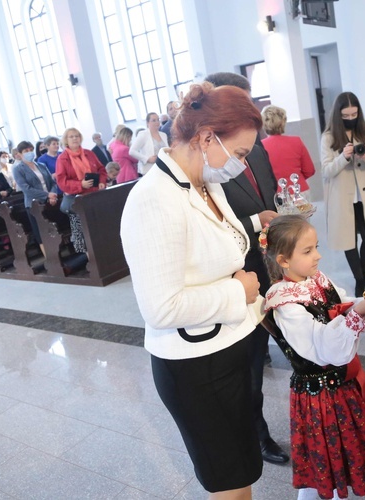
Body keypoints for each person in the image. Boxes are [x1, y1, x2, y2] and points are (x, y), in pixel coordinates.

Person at [120, 82, 265, 499]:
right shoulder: (153, 199)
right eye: (238, 153)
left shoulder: (205, 182)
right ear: (206, 138)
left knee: (242, 473)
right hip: (196, 368)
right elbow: (161, 307)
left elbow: (214, 240)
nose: (240, 164)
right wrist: (239, 292)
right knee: (229, 483)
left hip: (229, 349)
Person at [261, 215, 365, 499]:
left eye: (316, 247)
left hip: (343, 388)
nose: (318, 255)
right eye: (308, 250)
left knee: (340, 460)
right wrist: (358, 313)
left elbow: (342, 305)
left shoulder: (317, 279)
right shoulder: (284, 302)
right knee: (327, 463)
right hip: (320, 397)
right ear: (283, 260)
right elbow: (323, 347)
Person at [204, 71, 288, 466]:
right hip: (242, 275)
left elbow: (268, 194)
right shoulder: (210, 164)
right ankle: (258, 434)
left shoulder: (254, 147)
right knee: (251, 371)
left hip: (275, 265)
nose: (249, 111)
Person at [321, 92, 365, 297]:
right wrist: (343, 157)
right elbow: (327, 171)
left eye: (354, 114)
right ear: (338, 116)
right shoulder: (329, 137)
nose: (350, 119)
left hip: (364, 197)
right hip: (343, 198)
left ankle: (364, 274)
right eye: (345, 116)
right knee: (349, 240)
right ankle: (359, 280)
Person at [56, 127, 107, 254]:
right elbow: (62, 181)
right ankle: (87, 258)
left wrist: (101, 181)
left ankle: (102, 253)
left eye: (77, 136)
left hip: (93, 196)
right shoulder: (63, 159)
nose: (74, 138)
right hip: (76, 200)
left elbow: (101, 170)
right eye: (71, 136)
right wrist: (80, 185)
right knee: (82, 233)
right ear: (66, 140)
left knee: (98, 229)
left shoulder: (89, 153)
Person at [12, 140, 58, 255]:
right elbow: (26, 189)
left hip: (50, 201)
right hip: (34, 204)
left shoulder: (41, 165)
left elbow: (52, 183)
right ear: (20, 154)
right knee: (40, 233)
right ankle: (48, 257)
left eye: (31, 150)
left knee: (54, 229)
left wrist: (52, 194)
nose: (29, 152)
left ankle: (58, 253)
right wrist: (47, 195)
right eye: (26, 151)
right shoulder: (18, 169)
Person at [261, 105, 315, 196]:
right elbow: (309, 170)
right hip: (299, 190)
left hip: (276, 194)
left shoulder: (260, 147)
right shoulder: (296, 141)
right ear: (283, 122)